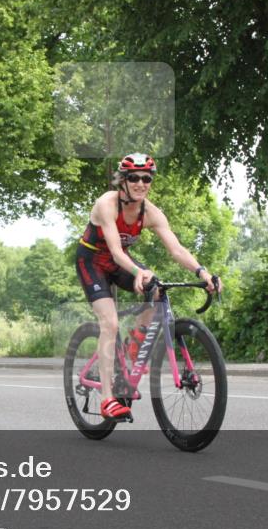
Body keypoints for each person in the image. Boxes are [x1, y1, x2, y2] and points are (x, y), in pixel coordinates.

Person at [75, 153, 221, 421]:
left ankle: (131, 353)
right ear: (123, 180)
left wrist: (203, 272)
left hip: (119, 262)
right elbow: (118, 252)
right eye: (134, 178)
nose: (141, 183)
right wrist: (140, 271)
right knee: (110, 324)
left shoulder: (151, 212)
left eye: (146, 178)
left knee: (156, 291)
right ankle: (108, 398)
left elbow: (176, 249)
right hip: (92, 261)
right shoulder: (107, 204)